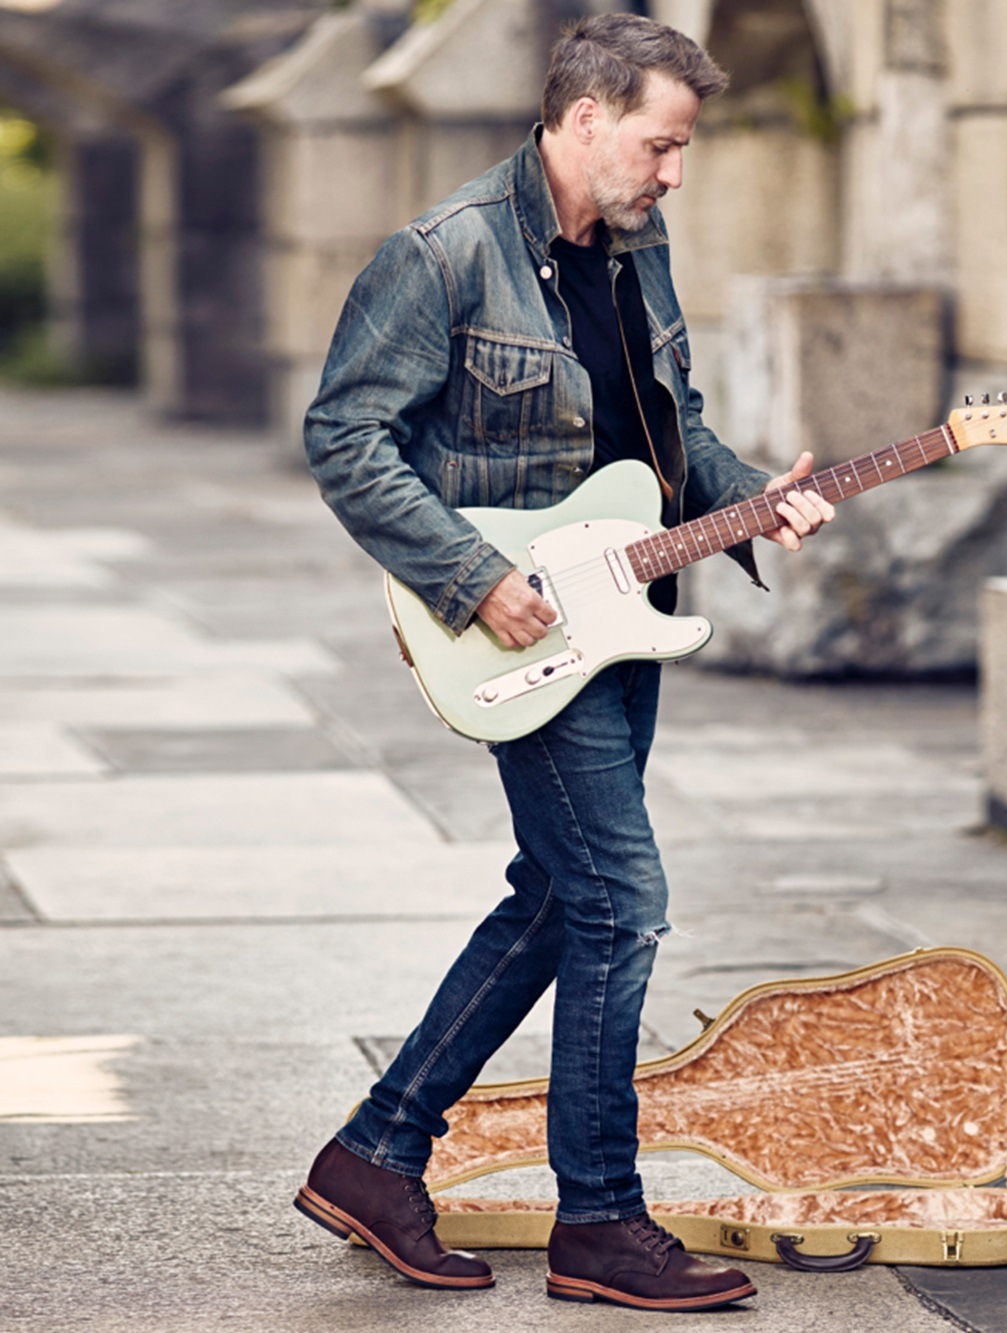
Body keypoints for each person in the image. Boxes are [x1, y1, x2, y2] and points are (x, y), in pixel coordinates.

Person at [294, 13, 833, 1313]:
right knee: (620, 900)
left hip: (627, 614)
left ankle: (376, 1153)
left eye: (683, 147)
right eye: (661, 143)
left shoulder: (637, 244)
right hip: (518, 626)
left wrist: (756, 495)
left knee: (557, 893)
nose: (675, 172)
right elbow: (345, 435)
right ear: (585, 119)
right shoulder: (443, 256)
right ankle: (599, 1218)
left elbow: (670, 424)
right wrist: (476, 575)